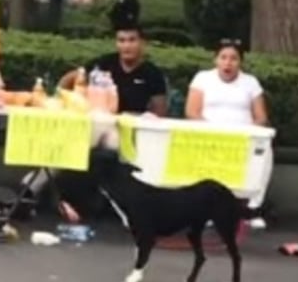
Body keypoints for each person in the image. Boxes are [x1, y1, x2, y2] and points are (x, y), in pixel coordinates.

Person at [20, 23, 168, 217]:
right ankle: (30, 189)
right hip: (95, 122)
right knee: (74, 138)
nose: (126, 46)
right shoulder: (105, 64)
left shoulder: (152, 74)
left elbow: (159, 112)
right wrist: (60, 96)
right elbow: (73, 77)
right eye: (121, 41)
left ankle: (83, 198)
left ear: (142, 43)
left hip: (128, 129)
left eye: (132, 40)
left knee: (104, 141)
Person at [185, 39, 271, 229]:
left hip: (243, 139)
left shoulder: (250, 82)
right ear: (216, 60)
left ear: (240, 62)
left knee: (264, 155)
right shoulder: (202, 78)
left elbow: (261, 116)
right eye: (223, 57)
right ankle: (209, 211)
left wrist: (246, 133)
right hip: (211, 137)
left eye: (233, 58)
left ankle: (251, 210)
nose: (228, 63)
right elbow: (192, 111)